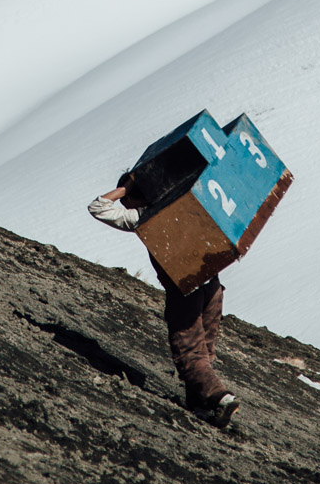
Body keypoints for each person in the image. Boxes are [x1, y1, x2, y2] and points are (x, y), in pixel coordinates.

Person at [90, 178, 240, 428]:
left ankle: (219, 398)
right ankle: (199, 404)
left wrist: (124, 189)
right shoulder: (184, 203)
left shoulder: (144, 216)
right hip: (212, 286)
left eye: (128, 199)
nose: (125, 204)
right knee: (205, 348)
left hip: (184, 287)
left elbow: (98, 208)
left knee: (189, 350)